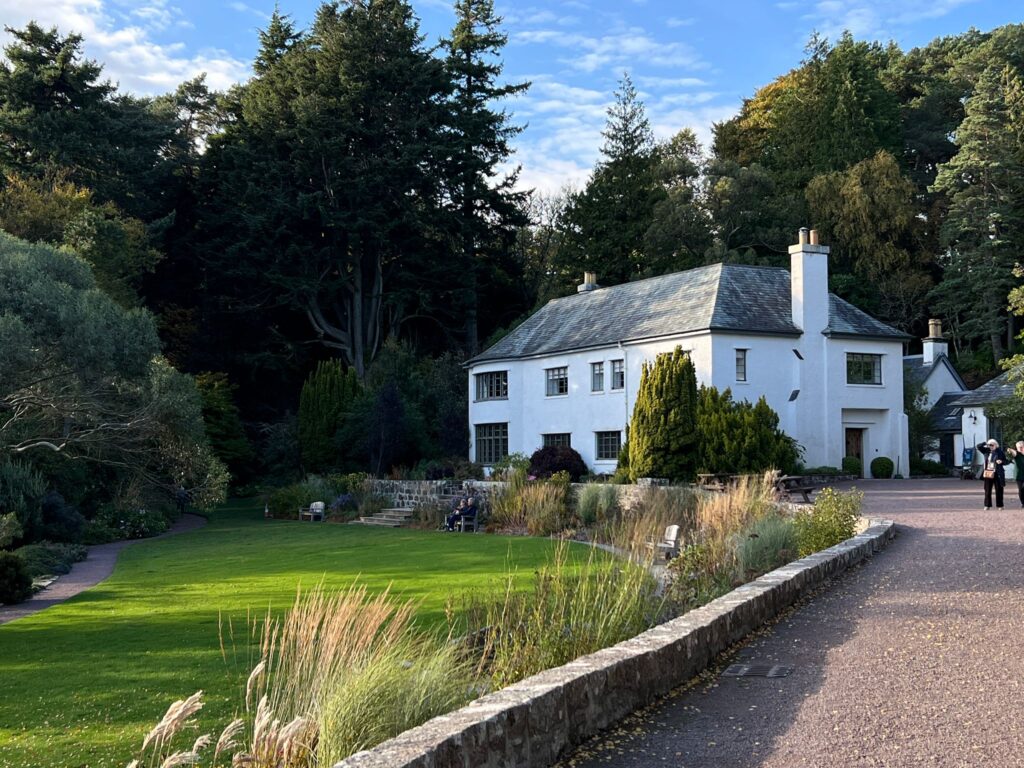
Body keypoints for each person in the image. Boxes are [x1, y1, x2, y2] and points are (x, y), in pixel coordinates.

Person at [976, 439, 1007, 510]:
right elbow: (978, 446)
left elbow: (1006, 461)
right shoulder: (986, 451)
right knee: (987, 490)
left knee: (999, 490)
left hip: (997, 473)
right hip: (988, 472)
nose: (991, 446)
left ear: (996, 445)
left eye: (992, 445)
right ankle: (987, 505)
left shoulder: (1000, 452)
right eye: (990, 445)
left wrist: (1001, 461)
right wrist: (985, 443)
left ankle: (1000, 505)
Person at [1008, 441, 1024, 508]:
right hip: (1019, 475)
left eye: (1021, 447)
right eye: (1018, 447)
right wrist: (1010, 450)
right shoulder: (1017, 454)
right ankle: (1023, 503)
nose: (1020, 448)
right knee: (1021, 489)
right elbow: (1013, 451)